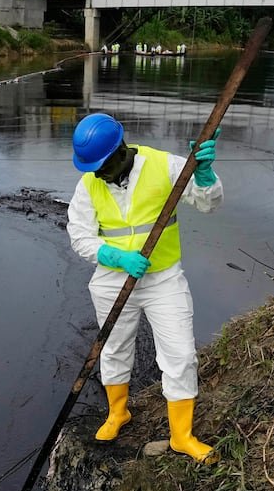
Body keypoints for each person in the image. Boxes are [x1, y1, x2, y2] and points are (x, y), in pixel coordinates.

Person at [66, 113, 223, 463]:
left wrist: (204, 174)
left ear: (121, 150)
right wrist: (114, 256)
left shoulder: (164, 165)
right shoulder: (89, 184)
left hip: (162, 278)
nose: (98, 174)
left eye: (103, 166)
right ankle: (117, 412)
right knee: (114, 348)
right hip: (112, 279)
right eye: (92, 168)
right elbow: (79, 236)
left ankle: (182, 436)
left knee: (180, 355)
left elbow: (208, 204)